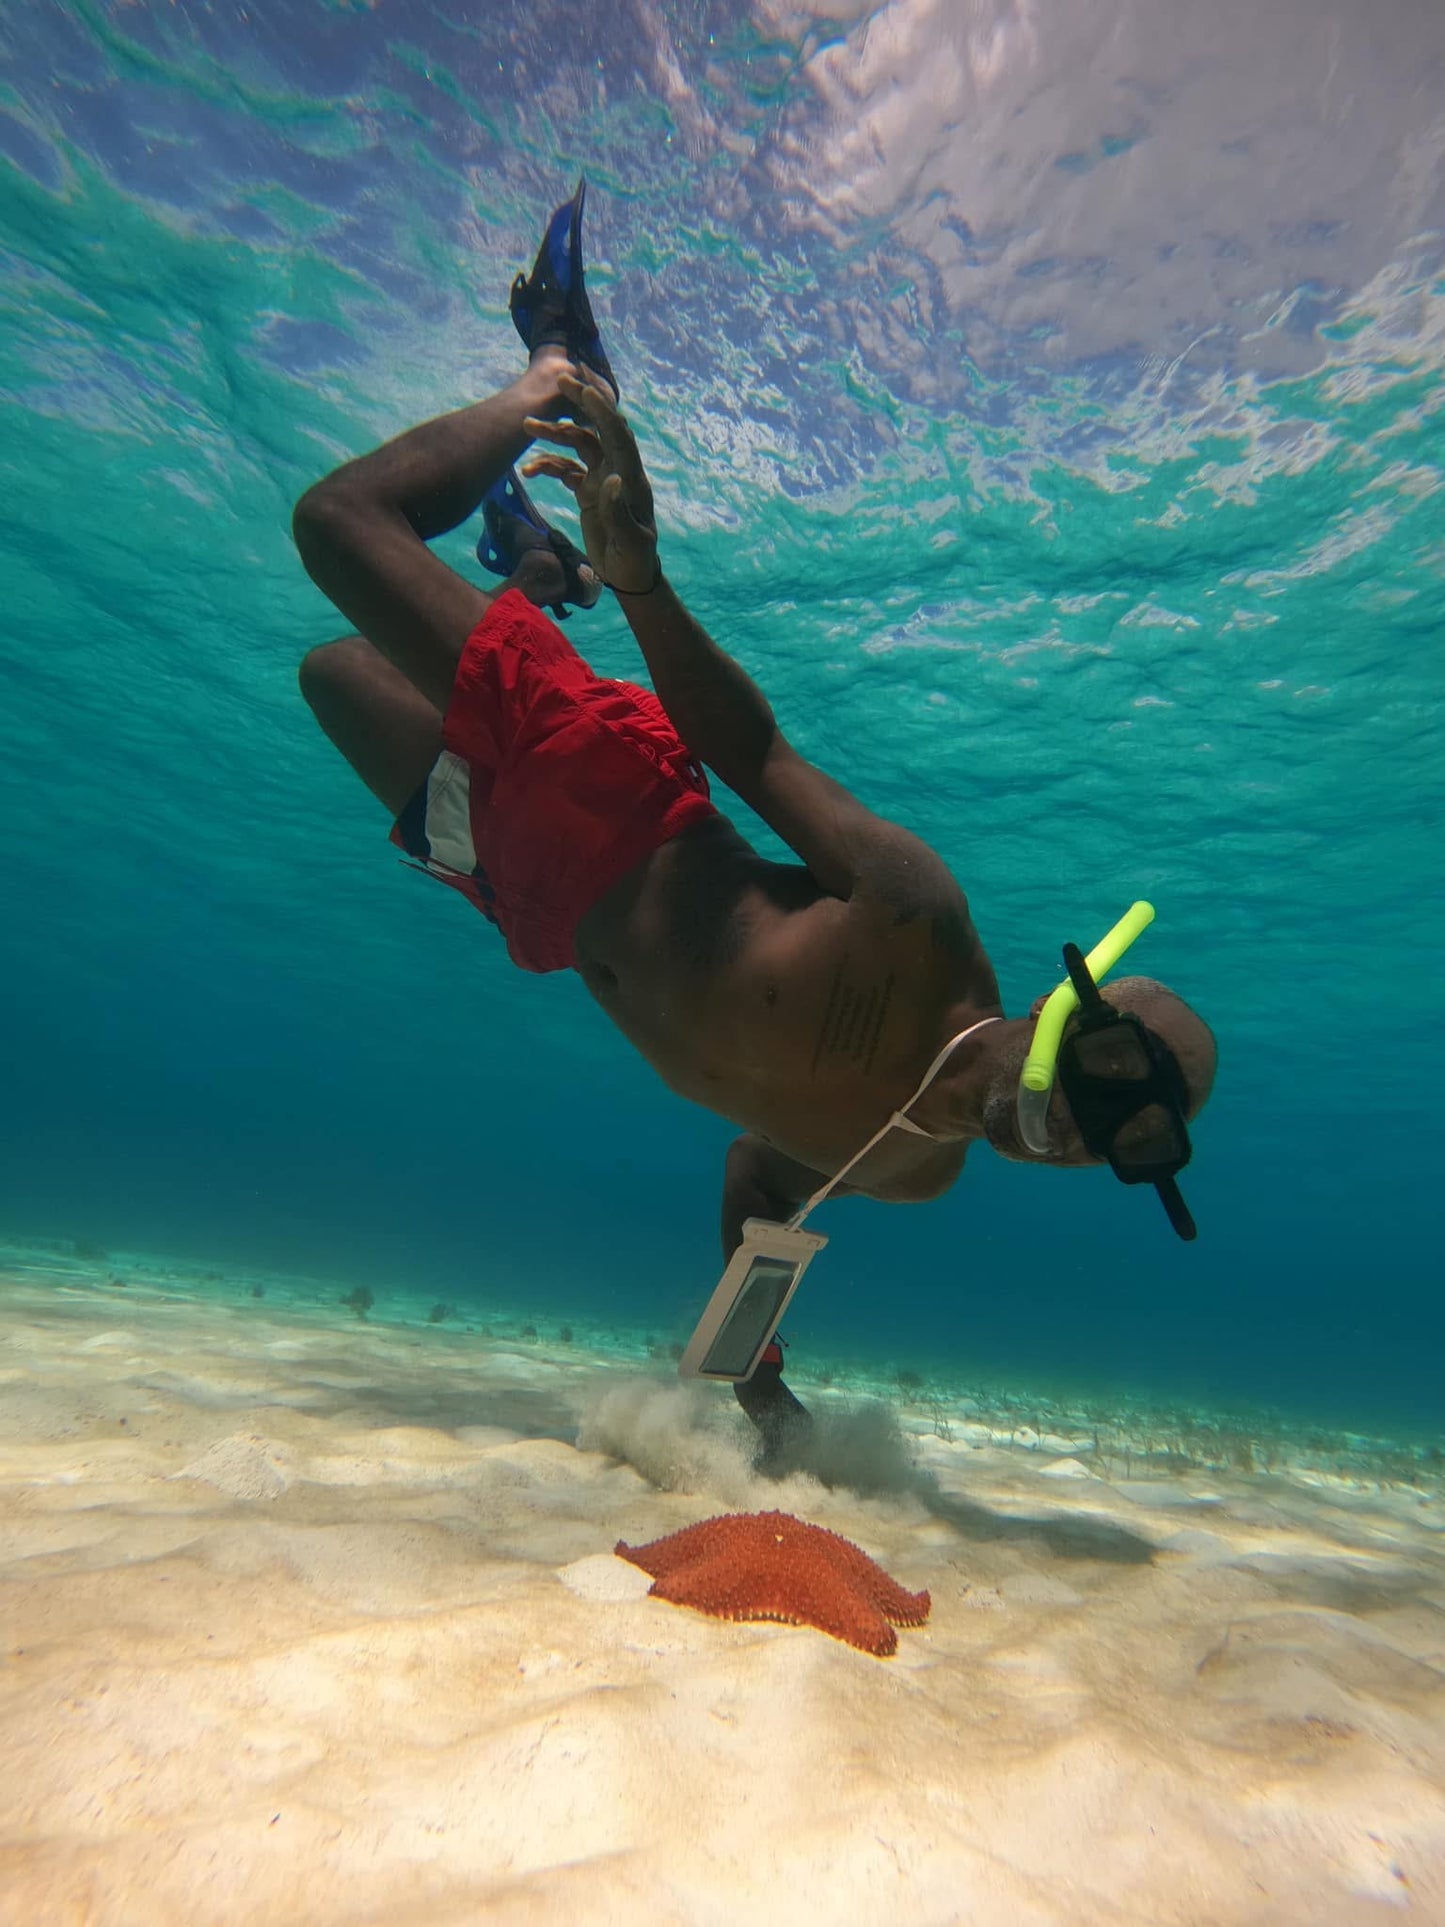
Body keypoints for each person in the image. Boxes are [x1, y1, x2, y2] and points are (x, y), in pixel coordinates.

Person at [292, 184, 1216, 1474]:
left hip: (534, 910)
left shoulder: (917, 1175)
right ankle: (554, 379)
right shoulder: (920, 921)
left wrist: (754, 1377)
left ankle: (535, 574)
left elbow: (759, 1180)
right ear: (1083, 1016)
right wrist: (644, 577)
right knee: (340, 529)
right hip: (605, 794)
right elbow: (751, 753)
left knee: (334, 675)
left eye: (1121, 1152)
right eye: (1117, 1095)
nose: (1084, 1139)